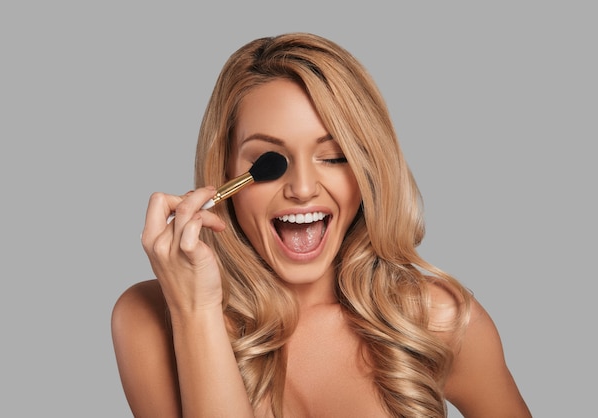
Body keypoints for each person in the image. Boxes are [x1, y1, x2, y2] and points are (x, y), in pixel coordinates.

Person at [111, 32, 532, 418]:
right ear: (223, 173)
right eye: (267, 162)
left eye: (332, 157)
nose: (302, 188)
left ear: (367, 170)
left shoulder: (438, 320)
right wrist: (196, 311)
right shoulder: (149, 319)